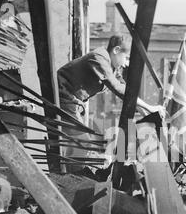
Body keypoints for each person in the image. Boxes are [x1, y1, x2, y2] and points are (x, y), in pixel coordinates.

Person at [57, 35, 165, 169]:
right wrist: (150, 107)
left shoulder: (113, 67)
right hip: (63, 94)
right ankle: (73, 177)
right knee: (82, 141)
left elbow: (126, 91)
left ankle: (71, 173)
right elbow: (117, 88)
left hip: (74, 101)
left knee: (78, 142)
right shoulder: (99, 57)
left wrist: (145, 113)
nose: (126, 63)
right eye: (126, 57)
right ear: (116, 50)